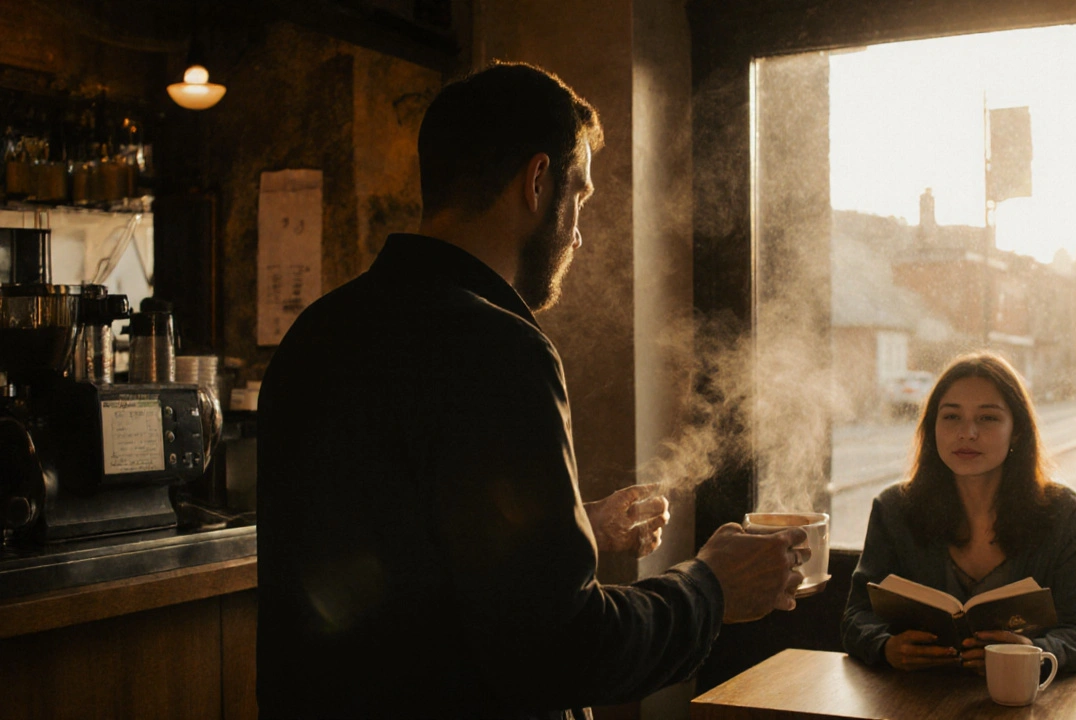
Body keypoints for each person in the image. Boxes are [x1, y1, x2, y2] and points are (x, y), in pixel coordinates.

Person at [255, 61, 809, 720]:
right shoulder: (498, 348)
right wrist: (712, 586)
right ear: (538, 181)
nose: (577, 233)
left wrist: (570, 528)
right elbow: (565, 650)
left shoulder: (317, 332)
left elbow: (403, 558)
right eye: (580, 195)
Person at [840, 352, 1076, 674]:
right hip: (915, 700)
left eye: (988, 418)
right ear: (931, 427)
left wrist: (1035, 653)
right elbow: (857, 617)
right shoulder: (894, 509)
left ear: (1017, 431)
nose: (967, 433)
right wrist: (886, 647)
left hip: (1025, 703)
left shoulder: (1064, 513)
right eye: (951, 417)